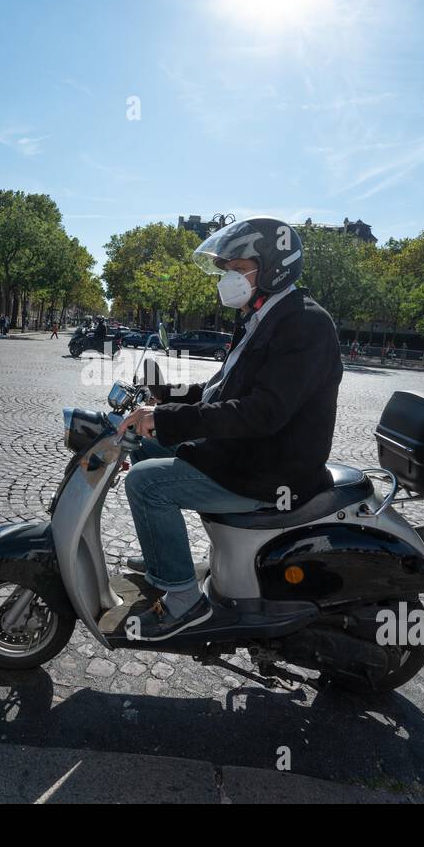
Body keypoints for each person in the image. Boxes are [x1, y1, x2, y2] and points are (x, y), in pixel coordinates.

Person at [116, 217, 342, 640]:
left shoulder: (305, 323)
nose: (228, 280)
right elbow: (220, 389)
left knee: (147, 485)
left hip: (272, 471)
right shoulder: (262, 316)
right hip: (247, 454)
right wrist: (166, 394)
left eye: (237, 270)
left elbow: (261, 413)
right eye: (226, 271)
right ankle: (165, 556)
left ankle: (183, 601)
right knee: (143, 449)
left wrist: (167, 421)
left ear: (274, 267)